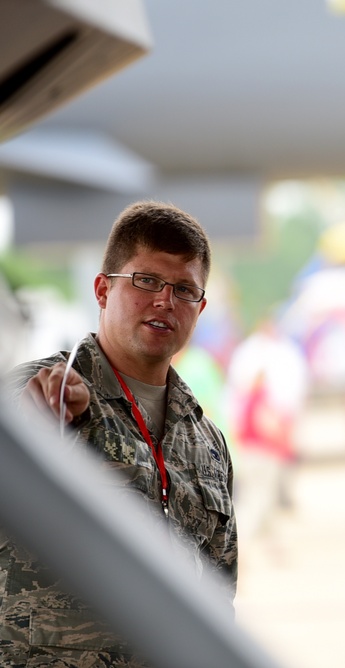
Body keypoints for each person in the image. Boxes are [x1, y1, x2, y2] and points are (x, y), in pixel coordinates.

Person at [3, 201, 237, 667]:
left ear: (201, 307)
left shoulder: (207, 441)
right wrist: (41, 428)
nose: (165, 301)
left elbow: (218, 594)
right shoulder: (39, 392)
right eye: (147, 281)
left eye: (185, 290)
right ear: (103, 290)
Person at [226, 315, 309, 542]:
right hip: (263, 451)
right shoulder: (260, 397)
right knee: (258, 500)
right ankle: (240, 543)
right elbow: (268, 426)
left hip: (251, 448)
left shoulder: (245, 399)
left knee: (262, 499)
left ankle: (271, 546)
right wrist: (285, 441)